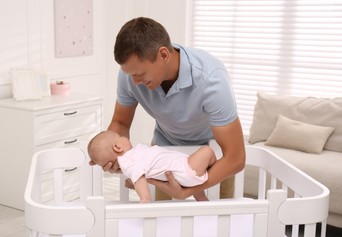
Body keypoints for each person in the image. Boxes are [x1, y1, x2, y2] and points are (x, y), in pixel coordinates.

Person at [93, 17, 245, 200]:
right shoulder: (129, 77)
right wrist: (114, 154)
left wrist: (187, 190)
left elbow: (236, 158)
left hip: (212, 151)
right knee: (162, 221)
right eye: (130, 75)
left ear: (163, 55)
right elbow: (120, 122)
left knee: (218, 218)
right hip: (164, 151)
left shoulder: (212, 80)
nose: (134, 83)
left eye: (140, 74)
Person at [87, 130, 216, 203]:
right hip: (184, 169)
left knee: (195, 175)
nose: (125, 137)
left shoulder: (131, 160)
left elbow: (138, 175)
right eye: (121, 137)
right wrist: (145, 198)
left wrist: (97, 160)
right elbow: (139, 179)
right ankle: (207, 180)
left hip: (180, 175)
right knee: (207, 151)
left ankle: (202, 199)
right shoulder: (128, 159)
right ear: (117, 147)